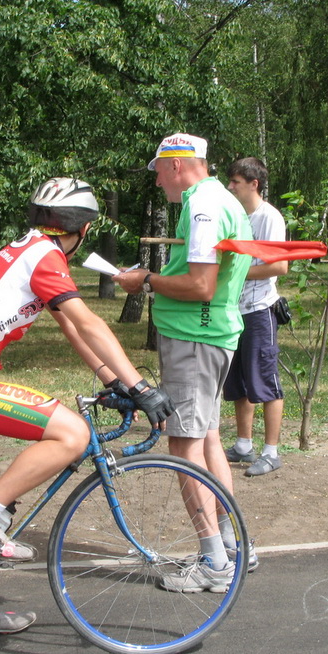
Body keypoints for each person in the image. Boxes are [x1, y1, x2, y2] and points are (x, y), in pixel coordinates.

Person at [0, 177, 174, 638]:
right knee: (73, 434)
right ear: (82, 228)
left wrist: (114, 381)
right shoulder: (45, 257)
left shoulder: (31, 250)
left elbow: (72, 329)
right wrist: (141, 387)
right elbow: (88, 322)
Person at [114, 133, 255, 592]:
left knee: (184, 447)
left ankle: (214, 562)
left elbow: (200, 286)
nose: (157, 181)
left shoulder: (202, 207)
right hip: (212, 336)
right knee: (208, 439)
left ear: (176, 165)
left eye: (158, 170)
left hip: (196, 338)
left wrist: (146, 280)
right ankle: (233, 546)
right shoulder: (221, 200)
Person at [222, 157, 289, 477]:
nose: (230, 187)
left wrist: (237, 273)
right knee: (238, 382)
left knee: (265, 381)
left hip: (260, 310)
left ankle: (271, 452)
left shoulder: (270, 217)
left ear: (254, 184)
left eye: (235, 182)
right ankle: (243, 446)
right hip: (233, 310)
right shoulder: (236, 215)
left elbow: (279, 266)